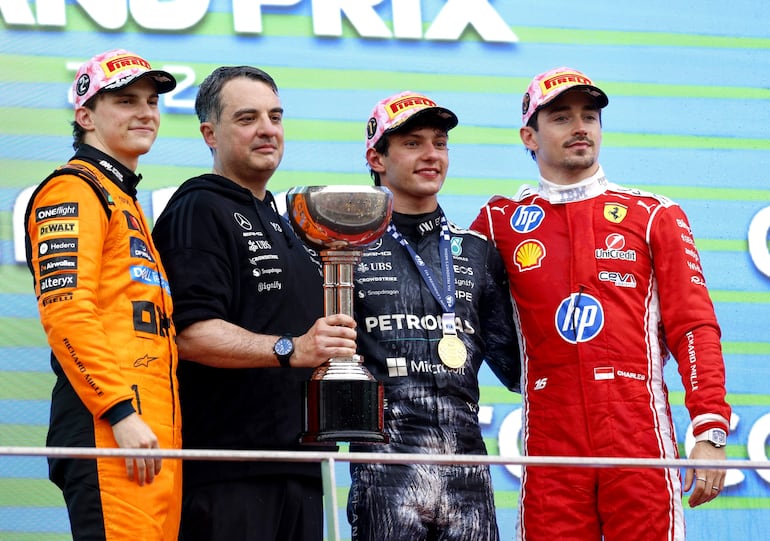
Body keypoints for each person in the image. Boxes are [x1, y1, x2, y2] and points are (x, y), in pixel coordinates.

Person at [470, 66, 732, 540]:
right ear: (529, 136)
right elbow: (451, 303)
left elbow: (694, 327)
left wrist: (709, 429)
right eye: (561, 118)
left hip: (637, 430)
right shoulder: (499, 220)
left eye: (589, 116)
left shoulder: (653, 214)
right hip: (550, 434)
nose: (580, 127)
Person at [151, 66, 358, 541]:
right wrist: (292, 349)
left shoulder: (286, 222)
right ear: (210, 134)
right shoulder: (199, 208)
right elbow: (189, 335)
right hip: (227, 473)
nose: (267, 129)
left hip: (298, 469)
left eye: (275, 116)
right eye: (247, 118)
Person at [346, 91, 521, 541]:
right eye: (412, 143)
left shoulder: (478, 252)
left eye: (439, 143)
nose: (431, 155)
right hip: (386, 470)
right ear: (376, 158)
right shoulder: (344, 251)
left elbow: (520, 370)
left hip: (468, 474)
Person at [23, 49, 181, 540]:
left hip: (150, 432)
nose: (145, 112)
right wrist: (119, 411)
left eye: (151, 101)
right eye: (126, 101)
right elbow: (67, 313)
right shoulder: (72, 190)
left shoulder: (121, 196)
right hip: (112, 427)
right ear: (86, 116)